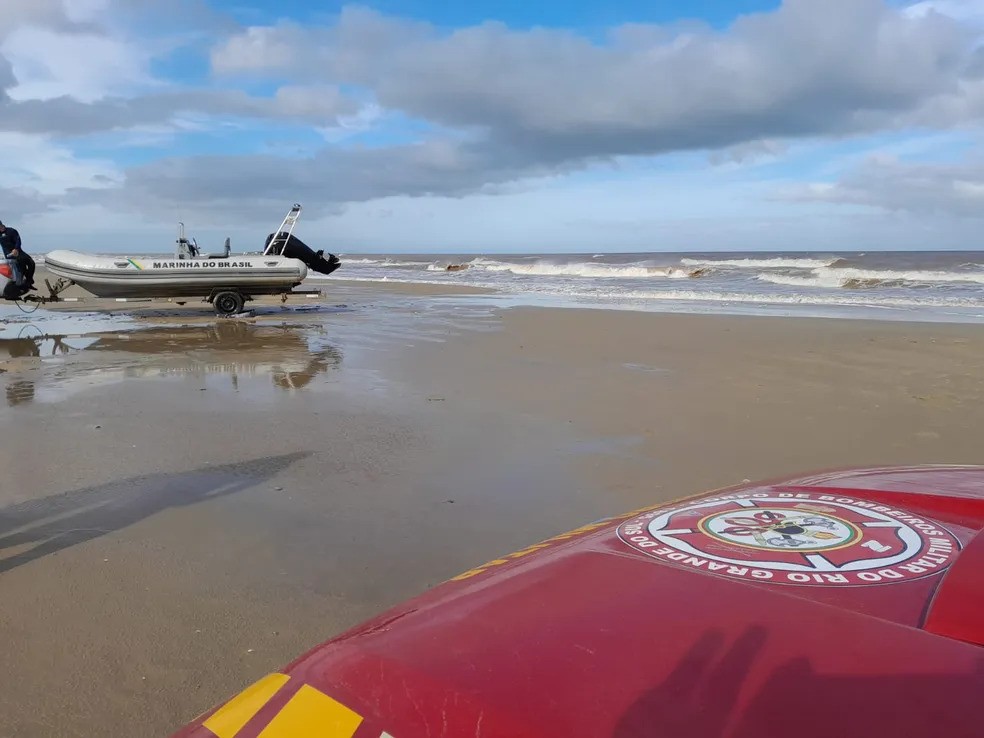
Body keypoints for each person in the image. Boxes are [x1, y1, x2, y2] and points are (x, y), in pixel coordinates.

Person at [0, 220, 35, 290]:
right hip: (9, 254)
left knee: (31, 263)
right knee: (21, 266)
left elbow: (18, 240)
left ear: (1, 224)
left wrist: (16, 248)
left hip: (18, 251)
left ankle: (29, 280)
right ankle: (25, 283)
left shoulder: (11, 231)